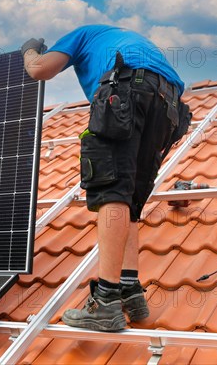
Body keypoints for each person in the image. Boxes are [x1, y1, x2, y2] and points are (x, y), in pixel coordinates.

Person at [21, 25, 187, 331]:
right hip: (169, 106)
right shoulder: (122, 39)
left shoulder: (81, 35)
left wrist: (29, 50)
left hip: (127, 90)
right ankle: (130, 290)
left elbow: (39, 70)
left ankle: (105, 302)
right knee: (128, 200)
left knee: (111, 190)